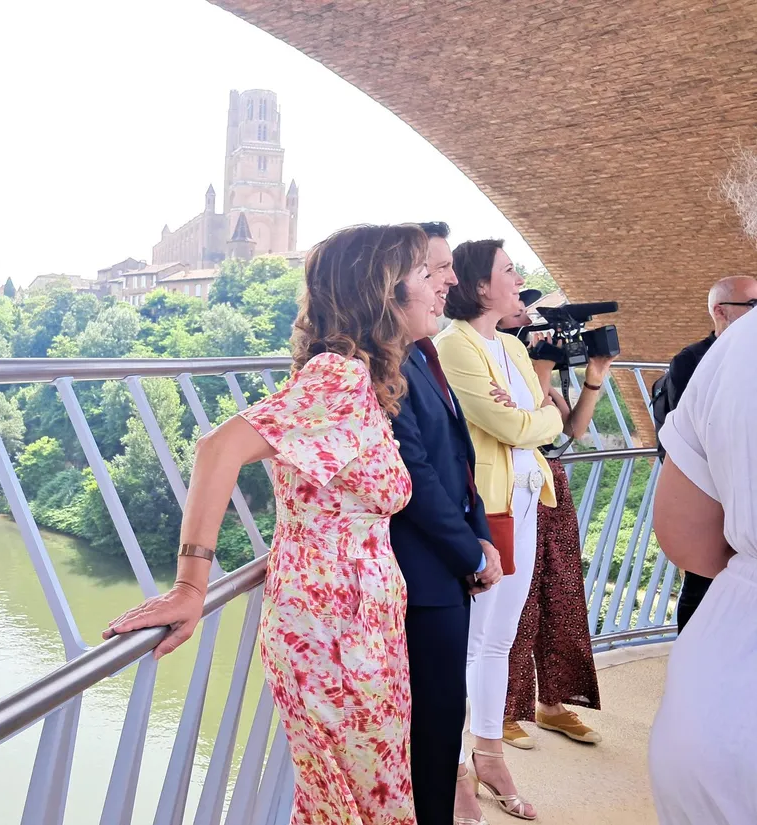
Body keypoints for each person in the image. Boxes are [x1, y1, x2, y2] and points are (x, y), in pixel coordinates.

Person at [105, 223, 434, 825]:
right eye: (425, 274)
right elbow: (219, 448)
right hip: (334, 633)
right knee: (364, 806)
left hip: (352, 624)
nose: (441, 286)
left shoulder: (356, 381)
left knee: (351, 803)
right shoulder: (338, 378)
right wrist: (191, 586)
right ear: (382, 291)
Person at [436, 240, 564, 823]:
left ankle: (489, 754)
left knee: (500, 641)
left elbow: (535, 420)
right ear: (480, 286)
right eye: (508, 271)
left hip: (526, 500)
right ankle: (455, 768)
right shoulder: (452, 346)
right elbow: (514, 424)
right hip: (486, 510)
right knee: (469, 643)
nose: (519, 279)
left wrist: (534, 416)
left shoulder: (511, 345)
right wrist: (538, 416)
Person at [390, 220, 502, 825]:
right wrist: (472, 554)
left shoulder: (421, 352)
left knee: (439, 725)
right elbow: (417, 476)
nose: (450, 281)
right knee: (427, 733)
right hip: (420, 577)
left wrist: (480, 534)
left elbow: (458, 459)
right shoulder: (380, 367)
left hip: (444, 570)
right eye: (434, 269)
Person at [648, 307, 757, 825]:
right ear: (721, 310)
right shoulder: (693, 356)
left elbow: (688, 534)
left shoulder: (737, 347)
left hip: (719, 697)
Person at [494, 296, 615, 749]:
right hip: (513, 488)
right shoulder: (495, 368)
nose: (530, 318)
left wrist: (594, 376)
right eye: (520, 309)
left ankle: (553, 703)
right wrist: (540, 367)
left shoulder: (531, 367)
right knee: (518, 600)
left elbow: (571, 431)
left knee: (560, 592)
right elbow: (530, 426)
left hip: (551, 486)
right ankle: (505, 708)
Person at [651, 275, 757, 633]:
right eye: (753, 304)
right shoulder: (693, 360)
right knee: (702, 583)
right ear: (720, 311)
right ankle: (692, 638)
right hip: (714, 497)